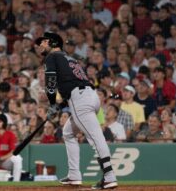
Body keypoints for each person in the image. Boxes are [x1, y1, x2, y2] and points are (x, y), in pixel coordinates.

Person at [35, 32, 117, 189]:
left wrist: (52, 103)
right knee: (68, 133)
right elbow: (71, 84)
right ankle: (74, 175)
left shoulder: (52, 57)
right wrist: (59, 104)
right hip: (87, 96)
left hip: (80, 99)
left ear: (52, 43)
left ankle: (109, 177)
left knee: (95, 138)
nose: (40, 45)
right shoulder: (68, 58)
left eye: (44, 42)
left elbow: (50, 83)